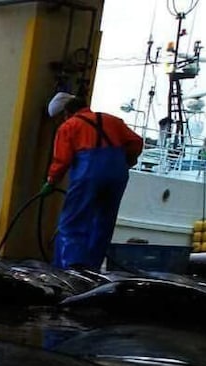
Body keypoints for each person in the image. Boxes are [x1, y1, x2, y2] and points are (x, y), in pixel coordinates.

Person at [41, 92, 143, 270]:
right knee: (103, 221)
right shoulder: (113, 121)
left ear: (67, 112)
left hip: (88, 172)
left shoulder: (69, 126)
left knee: (73, 220)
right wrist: (125, 161)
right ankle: (92, 267)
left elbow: (61, 160)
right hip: (117, 174)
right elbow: (136, 142)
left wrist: (51, 181)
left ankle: (71, 268)